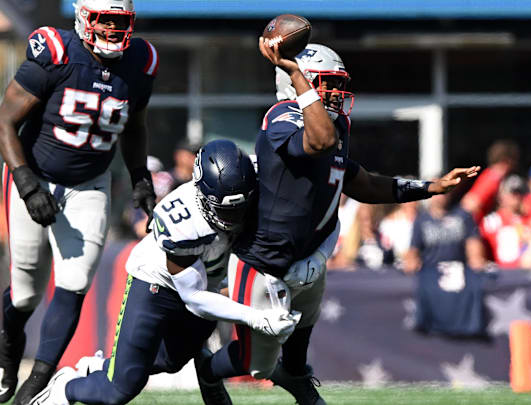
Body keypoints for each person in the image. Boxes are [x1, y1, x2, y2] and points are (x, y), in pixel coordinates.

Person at [194, 41, 479, 405]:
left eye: (337, 83)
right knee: (257, 366)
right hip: (265, 263)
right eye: (325, 83)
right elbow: (319, 142)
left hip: (311, 250)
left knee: (305, 326)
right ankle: (207, 367)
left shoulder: (335, 123)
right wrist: (297, 74)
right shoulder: (282, 118)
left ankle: (296, 376)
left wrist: (431, 187)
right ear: (298, 82)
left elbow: (362, 182)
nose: (335, 92)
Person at [29, 140, 299, 405]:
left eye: (240, 207)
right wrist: (258, 318)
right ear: (201, 192)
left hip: (208, 283)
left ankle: (99, 367)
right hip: (157, 284)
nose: (234, 218)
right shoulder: (181, 221)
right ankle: (64, 389)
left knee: (171, 362)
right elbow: (195, 298)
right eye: (224, 210)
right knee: (120, 389)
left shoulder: (258, 179)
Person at [0, 1, 158, 403]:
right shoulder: (56, 52)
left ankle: (37, 382)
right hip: (33, 174)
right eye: (107, 21)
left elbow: (134, 124)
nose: (116, 31)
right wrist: (29, 185)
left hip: (89, 182)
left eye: (122, 22)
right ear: (85, 18)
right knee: (27, 291)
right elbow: (4, 123)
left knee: (75, 281)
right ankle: (11, 341)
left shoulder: (140, 61)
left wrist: (140, 177)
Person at [403, 192, 488, 337]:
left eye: (443, 193)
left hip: (459, 269)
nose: (439, 196)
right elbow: (413, 249)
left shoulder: (463, 216)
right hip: (430, 272)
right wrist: (411, 260)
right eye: (435, 193)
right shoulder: (422, 219)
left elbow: (473, 244)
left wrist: (476, 258)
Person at [461, 139, 519, 224]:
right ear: (506, 160)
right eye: (513, 160)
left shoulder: (493, 176)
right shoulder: (493, 177)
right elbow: (470, 203)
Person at [479, 175, 527, 269]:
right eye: (512, 192)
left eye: (519, 192)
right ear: (501, 195)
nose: (516, 197)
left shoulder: (527, 220)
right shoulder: (491, 221)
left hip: (523, 275)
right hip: (500, 276)